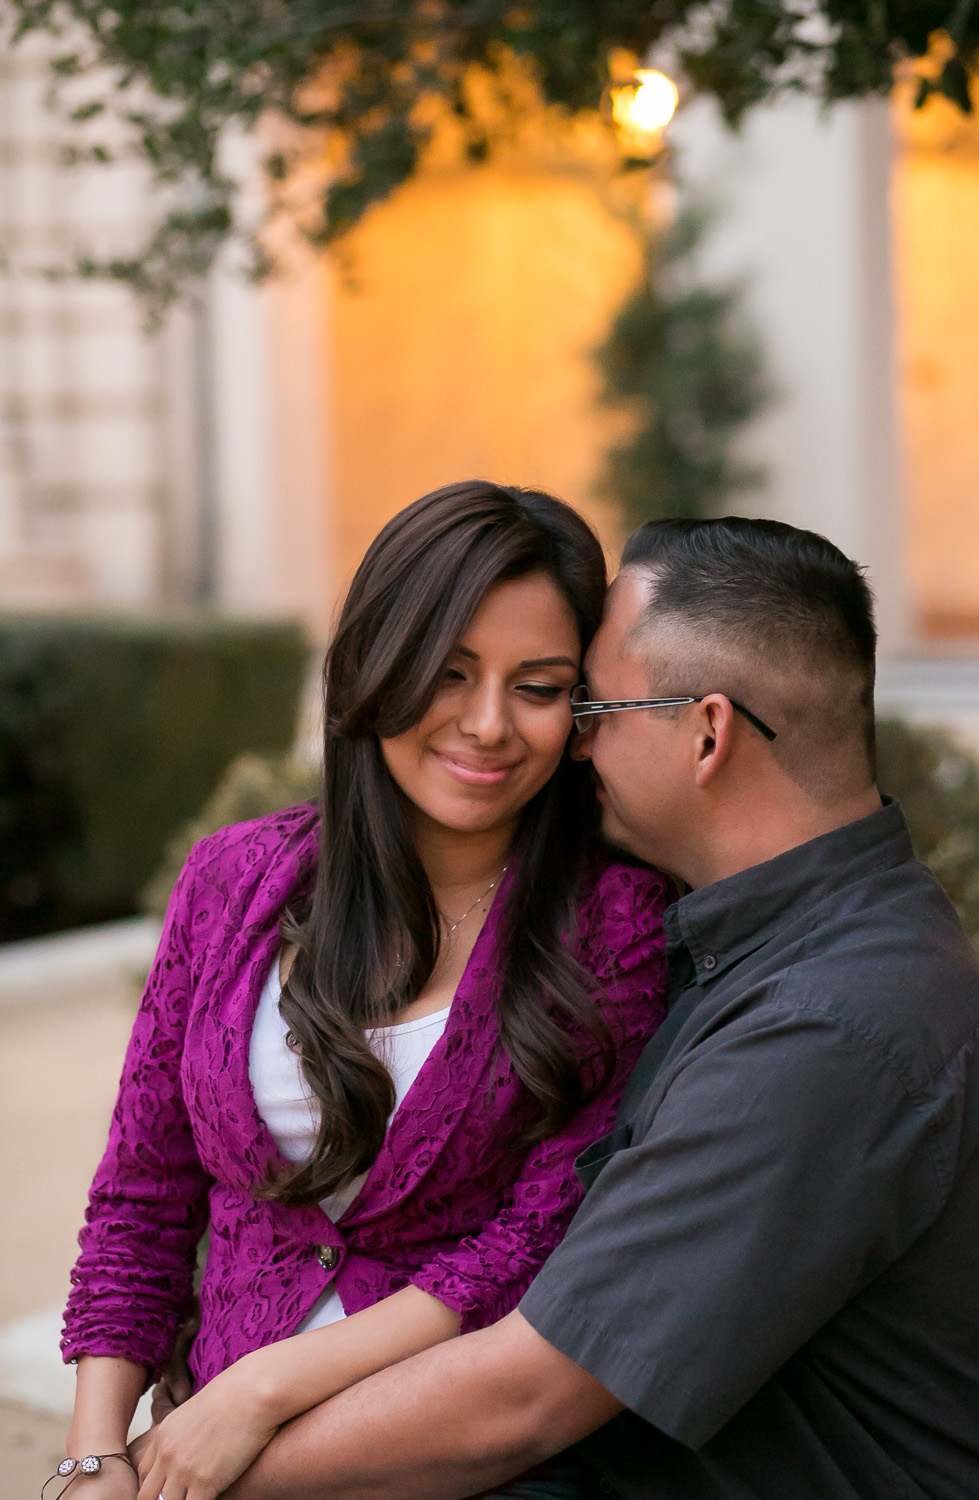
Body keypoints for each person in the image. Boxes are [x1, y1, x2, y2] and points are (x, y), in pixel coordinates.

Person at [214, 517, 979, 1500]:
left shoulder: (835, 1024)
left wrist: (180, 1478)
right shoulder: (746, 940)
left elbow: (523, 1400)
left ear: (706, 732)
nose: (572, 748)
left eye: (590, 706)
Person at [58, 481, 670, 1500]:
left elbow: (543, 1239)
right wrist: (93, 1458)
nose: (486, 725)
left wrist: (260, 1393)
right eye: (449, 671)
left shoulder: (616, 923)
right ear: (373, 664)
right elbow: (142, 1194)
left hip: (464, 1468)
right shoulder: (233, 882)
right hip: (203, 1468)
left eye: (537, 685)